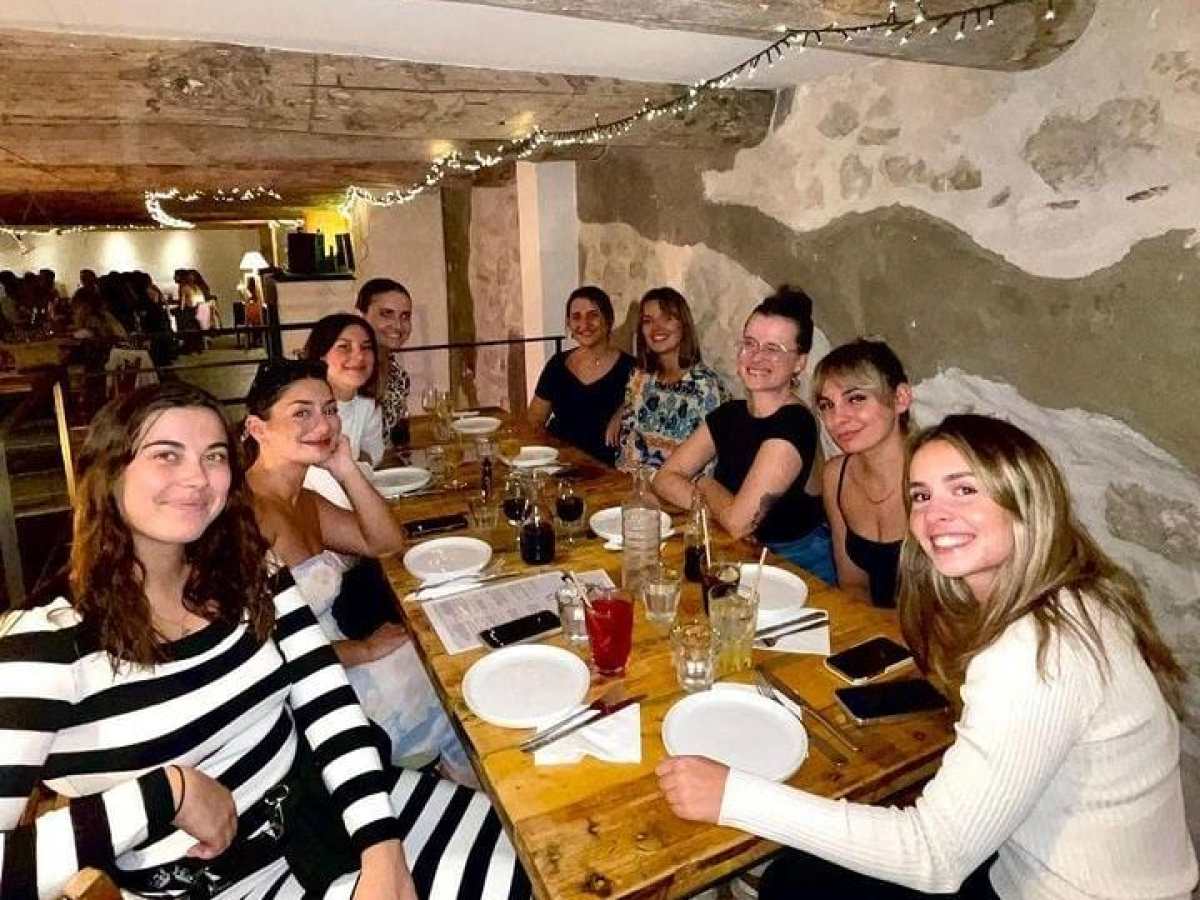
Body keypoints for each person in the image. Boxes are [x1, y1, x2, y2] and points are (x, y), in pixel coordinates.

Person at [0, 381, 528, 899]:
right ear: (110, 473)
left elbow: (328, 703)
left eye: (212, 456)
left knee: (531, 852)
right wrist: (162, 795)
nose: (196, 478)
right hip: (237, 884)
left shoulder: (250, 573)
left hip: (323, 812)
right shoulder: (44, 648)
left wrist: (383, 851)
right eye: (166, 455)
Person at [658, 413, 1197, 900]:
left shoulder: (1038, 648)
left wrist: (732, 795)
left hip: (1064, 889)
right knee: (797, 876)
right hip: (1023, 857)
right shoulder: (1073, 594)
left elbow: (934, 855)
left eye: (964, 489)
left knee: (795, 886)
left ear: (1026, 499)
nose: (937, 514)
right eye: (921, 496)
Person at [243, 360, 475, 783]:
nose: (323, 424)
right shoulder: (250, 516)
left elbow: (385, 543)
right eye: (302, 412)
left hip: (333, 655)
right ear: (258, 429)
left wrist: (346, 469)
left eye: (329, 409)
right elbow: (257, 655)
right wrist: (363, 650)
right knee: (454, 685)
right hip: (300, 688)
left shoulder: (305, 500)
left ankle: (452, 786)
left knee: (455, 654)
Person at [652, 286, 834, 583]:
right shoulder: (731, 413)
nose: (756, 356)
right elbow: (664, 478)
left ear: (799, 362)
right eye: (750, 343)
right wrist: (720, 509)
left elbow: (739, 523)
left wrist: (705, 485)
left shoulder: (795, 422)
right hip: (739, 553)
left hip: (797, 567)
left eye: (773, 349)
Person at [814, 338, 912, 606]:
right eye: (827, 405)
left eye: (855, 399)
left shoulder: (934, 479)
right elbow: (853, 584)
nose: (838, 419)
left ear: (900, 398)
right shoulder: (837, 475)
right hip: (881, 638)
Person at [610, 287, 730, 472]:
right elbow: (627, 448)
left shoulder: (706, 387)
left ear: (683, 324)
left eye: (667, 318)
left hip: (674, 493)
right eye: (648, 321)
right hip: (628, 487)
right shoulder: (639, 377)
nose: (657, 328)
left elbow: (707, 467)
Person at [528, 285, 635, 466]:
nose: (584, 325)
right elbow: (535, 420)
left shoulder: (631, 368)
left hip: (604, 471)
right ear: (569, 324)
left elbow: (644, 404)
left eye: (593, 315)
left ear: (608, 320)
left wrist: (623, 410)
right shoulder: (557, 365)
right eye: (576, 317)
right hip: (558, 464)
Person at [303, 313, 386, 466]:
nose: (359, 356)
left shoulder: (367, 406)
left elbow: (372, 453)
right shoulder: (302, 409)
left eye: (366, 347)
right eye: (344, 347)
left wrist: (355, 467)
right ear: (321, 356)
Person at [356, 278, 413, 443]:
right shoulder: (347, 372)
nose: (398, 325)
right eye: (386, 314)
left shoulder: (398, 376)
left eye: (405, 316)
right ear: (361, 316)